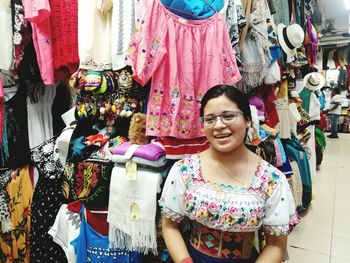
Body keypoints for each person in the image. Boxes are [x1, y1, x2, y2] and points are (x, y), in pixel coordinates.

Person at [159, 85, 299, 263]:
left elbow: (276, 245)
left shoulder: (271, 180)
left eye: (228, 116)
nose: (218, 125)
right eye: (210, 119)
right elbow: (170, 226)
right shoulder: (185, 170)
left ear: (248, 120)